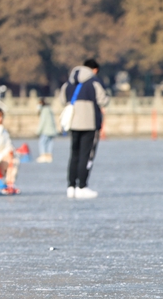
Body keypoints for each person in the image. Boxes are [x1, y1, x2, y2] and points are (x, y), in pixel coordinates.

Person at [58, 59, 110, 199]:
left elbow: (62, 100)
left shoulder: (69, 82)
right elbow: (103, 100)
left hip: (73, 123)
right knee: (86, 155)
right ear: (94, 69)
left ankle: (71, 186)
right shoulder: (94, 82)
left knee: (74, 154)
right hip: (89, 123)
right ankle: (82, 185)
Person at [36, 98, 57, 163]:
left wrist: (38, 131)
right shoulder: (50, 110)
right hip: (52, 130)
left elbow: (43, 121)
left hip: (46, 130)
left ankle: (43, 155)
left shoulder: (44, 110)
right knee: (50, 143)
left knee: (42, 142)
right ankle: (49, 156)